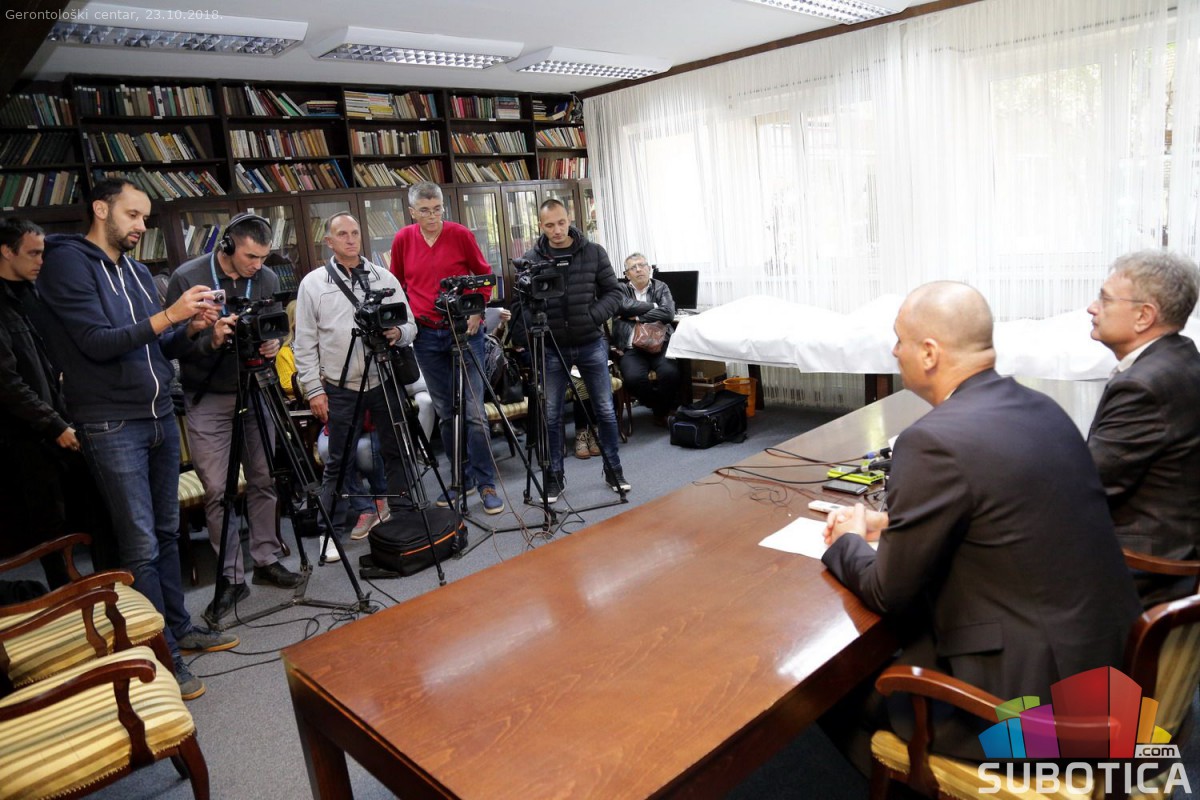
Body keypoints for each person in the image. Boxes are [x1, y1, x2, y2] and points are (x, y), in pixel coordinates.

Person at [821, 281, 1139, 765]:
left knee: (830, 695)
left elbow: (888, 592)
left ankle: (929, 786)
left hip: (1030, 709)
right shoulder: (1042, 408)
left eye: (900, 340)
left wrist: (847, 540)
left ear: (930, 353)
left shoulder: (932, 440)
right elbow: (1006, 510)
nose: (895, 351)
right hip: (1107, 666)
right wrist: (893, 523)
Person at [35, 177, 238, 700]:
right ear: (101, 209)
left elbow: (160, 345)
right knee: (140, 544)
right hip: (110, 421)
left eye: (145, 217)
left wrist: (194, 330)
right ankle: (162, 652)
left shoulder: (137, 270)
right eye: (132, 215)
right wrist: (171, 315)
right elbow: (97, 343)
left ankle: (180, 627)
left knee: (167, 532)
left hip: (158, 415)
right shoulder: (66, 263)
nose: (141, 226)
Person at [166, 212, 301, 625]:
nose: (257, 265)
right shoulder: (188, 278)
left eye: (263, 257)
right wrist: (210, 338)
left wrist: (273, 342)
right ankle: (230, 577)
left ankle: (266, 559)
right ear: (227, 246)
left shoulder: (267, 279)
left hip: (256, 388)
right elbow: (168, 346)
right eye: (250, 257)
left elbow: (273, 326)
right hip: (208, 396)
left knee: (263, 479)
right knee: (217, 490)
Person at [294, 211, 418, 562]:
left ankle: (404, 518)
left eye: (354, 233)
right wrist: (314, 389)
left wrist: (398, 332)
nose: (350, 239)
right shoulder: (313, 284)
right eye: (342, 234)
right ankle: (329, 531)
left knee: (397, 450)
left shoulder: (382, 277)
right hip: (340, 385)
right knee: (339, 460)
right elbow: (304, 343)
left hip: (383, 377)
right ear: (329, 242)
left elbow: (410, 325)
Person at [1085, 250, 1200, 606]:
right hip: (1177, 548)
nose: (1092, 308)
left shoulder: (1143, 386)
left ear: (1143, 316)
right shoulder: (1182, 356)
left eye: (1105, 299)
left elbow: (1089, 485)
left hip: (1146, 571)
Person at [389, 181, 503, 515]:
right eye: (425, 210)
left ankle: (486, 483)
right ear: (412, 212)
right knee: (445, 412)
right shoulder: (402, 240)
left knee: (474, 414)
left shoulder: (460, 234)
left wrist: (477, 310)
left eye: (437, 209)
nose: (432, 216)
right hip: (426, 336)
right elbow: (396, 284)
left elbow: (485, 277)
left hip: (465, 332)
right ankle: (460, 480)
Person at [521, 199, 625, 500]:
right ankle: (555, 476)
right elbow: (521, 306)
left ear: (569, 219)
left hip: (590, 342)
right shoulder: (531, 259)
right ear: (540, 226)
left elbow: (614, 292)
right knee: (552, 415)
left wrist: (592, 317)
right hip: (552, 348)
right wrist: (538, 327)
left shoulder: (594, 252)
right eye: (549, 225)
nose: (557, 230)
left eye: (561, 223)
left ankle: (614, 470)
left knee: (605, 409)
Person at [0, 218, 78, 588]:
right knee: (46, 525)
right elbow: (6, 382)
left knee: (68, 517)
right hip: (23, 437)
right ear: (6, 251)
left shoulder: (30, 295)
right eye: (32, 253)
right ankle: (65, 597)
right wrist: (54, 424)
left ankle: (79, 589)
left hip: (53, 419)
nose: (40, 261)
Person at [611, 252, 681, 426]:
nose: (638, 270)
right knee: (633, 378)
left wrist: (636, 317)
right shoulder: (620, 289)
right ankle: (660, 408)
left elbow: (668, 313)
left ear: (649, 269)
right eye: (633, 268)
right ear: (627, 274)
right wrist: (654, 306)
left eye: (642, 265)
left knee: (670, 373)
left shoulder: (660, 287)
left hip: (660, 343)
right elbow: (623, 306)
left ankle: (660, 411)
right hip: (631, 347)